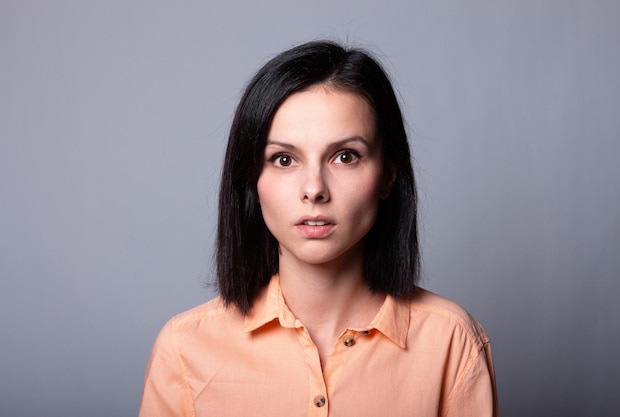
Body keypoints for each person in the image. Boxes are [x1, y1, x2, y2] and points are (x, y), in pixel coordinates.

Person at [138, 40, 498, 417]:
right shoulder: (184, 349)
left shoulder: (452, 343)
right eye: (283, 159)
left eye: (345, 157)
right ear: (251, 179)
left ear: (388, 174)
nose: (314, 189)